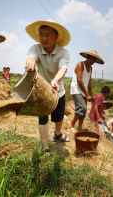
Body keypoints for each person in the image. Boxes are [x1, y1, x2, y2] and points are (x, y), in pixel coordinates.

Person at [25, 20, 71, 152]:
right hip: (42, 90)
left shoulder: (63, 53)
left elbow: (63, 69)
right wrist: (30, 62)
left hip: (58, 91)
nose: (43, 38)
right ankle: (45, 147)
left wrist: (55, 80)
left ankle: (57, 134)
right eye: (41, 35)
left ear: (56, 36)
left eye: (47, 35)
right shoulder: (36, 48)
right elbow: (31, 57)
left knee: (58, 117)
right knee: (43, 118)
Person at [69, 50, 104, 130]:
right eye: (92, 60)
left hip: (83, 91)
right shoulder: (80, 64)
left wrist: (90, 95)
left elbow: (89, 83)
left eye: (94, 61)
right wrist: (87, 94)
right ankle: (71, 126)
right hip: (76, 89)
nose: (93, 62)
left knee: (84, 112)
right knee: (82, 107)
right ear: (88, 57)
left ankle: (80, 127)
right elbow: (79, 80)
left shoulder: (90, 68)